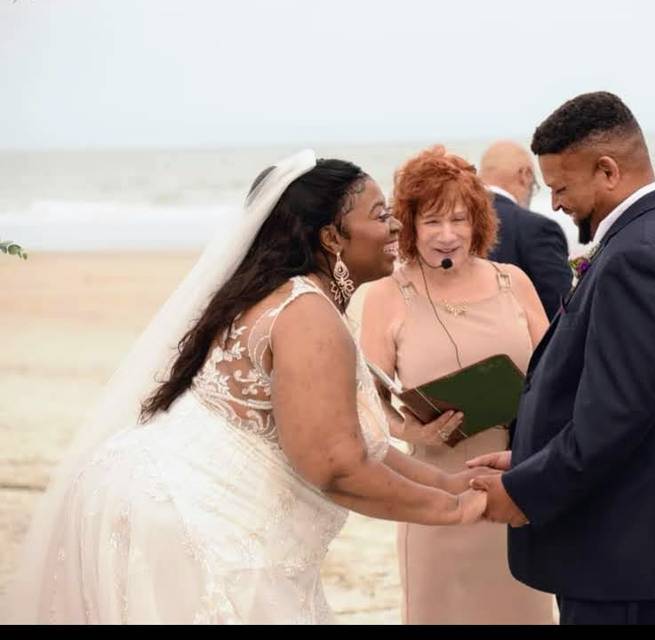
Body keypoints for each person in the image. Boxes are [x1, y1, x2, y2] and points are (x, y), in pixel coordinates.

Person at [2, 150, 490, 624]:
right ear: (331, 237)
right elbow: (337, 467)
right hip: (193, 530)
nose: (396, 227)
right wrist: (452, 509)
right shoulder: (306, 315)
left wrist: (448, 482)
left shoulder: (272, 294)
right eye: (381, 215)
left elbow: (347, 438)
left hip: (139, 495)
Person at [469, 92, 655, 625]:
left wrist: (525, 491)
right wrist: (531, 455)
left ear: (607, 170)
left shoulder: (640, 256)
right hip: (623, 548)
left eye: (561, 186)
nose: (555, 203)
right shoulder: (650, 236)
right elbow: (627, 402)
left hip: (628, 553)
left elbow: (617, 416)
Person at [361, 145, 554, 624]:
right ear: (407, 225)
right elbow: (366, 401)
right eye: (431, 222)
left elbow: (556, 378)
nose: (447, 236)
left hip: (517, 491)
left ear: (479, 222)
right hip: (436, 496)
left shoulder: (514, 281)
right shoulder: (387, 295)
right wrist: (413, 433)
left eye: (459, 220)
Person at [479, 140, 572, 318]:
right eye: (535, 186)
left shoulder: (453, 225)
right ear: (525, 174)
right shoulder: (537, 228)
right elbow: (561, 310)